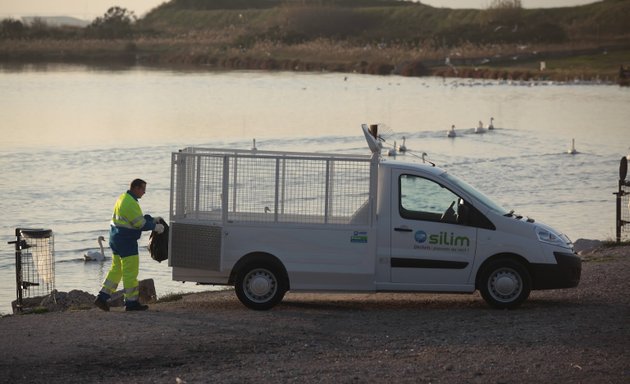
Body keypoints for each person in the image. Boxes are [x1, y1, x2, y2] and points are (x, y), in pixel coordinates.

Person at [94, 178, 164, 312]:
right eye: (143, 189)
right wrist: (156, 227)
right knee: (130, 272)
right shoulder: (131, 203)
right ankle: (131, 303)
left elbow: (134, 219)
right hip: (127, 241)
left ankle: (102, 297)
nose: (144, 192)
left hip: (115, 238)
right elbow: (140, 224)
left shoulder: (123, 198)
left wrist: (151, 219)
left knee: (117, 270)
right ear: (136, 188)